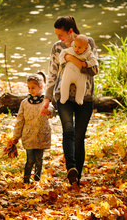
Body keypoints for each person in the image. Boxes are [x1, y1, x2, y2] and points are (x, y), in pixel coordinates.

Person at [41, 16, 99, 190]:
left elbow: (94, 69)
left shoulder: (88, 43)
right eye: (56, 34)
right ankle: (71, 170)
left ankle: (77, 178)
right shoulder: (57, 48)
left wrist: (73, 60)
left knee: (79, 138)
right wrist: (47, 99)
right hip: (63, 97)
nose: (59, 38)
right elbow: (52, 74)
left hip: (85, 97)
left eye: (61, 34)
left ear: (70, 32)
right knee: (68, 131)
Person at [12, 71, 54, 183]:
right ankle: (26, 180)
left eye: (33, 88)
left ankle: (37, 181)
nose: (31, 90)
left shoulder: (45, 102)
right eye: (29, 88)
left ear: (41, 87)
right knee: (30, 159)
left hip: (41, 135)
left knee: (39, 160)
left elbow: (52, 112)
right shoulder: (25, 103)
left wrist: (48, 110)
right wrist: (16, 136)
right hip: (28, 135)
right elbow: (20, 120)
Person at [59, 34, 97, 105]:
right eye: (75, 46)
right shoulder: (71, 50)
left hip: (80, 74)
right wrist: (63, 60)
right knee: (64, 83)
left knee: (81, 85)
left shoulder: (88, 54)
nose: (76, 49)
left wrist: (87, 63)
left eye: (79, 47)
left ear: (86, 48)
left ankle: (79, 99)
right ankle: (64, 97)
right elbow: (62, 53)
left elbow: (94, 61)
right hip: (69, 72)